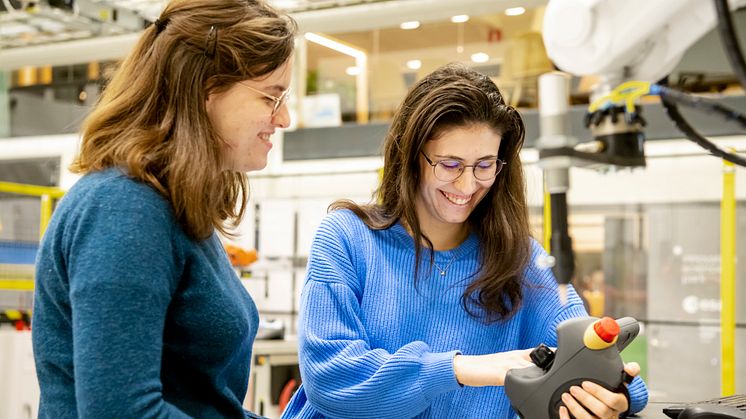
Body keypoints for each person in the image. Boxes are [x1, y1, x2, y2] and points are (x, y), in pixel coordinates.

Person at [282, 63, 648, 418]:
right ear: (412, 158)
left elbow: (591, 355)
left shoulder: (520, 260)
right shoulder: (347, 237)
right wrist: (458, 369)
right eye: (450, 165)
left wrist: (617, 394)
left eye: (485, 165)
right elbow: (331, 378)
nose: (468, 185)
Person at [31, 1, 296, 417]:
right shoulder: (124, 207)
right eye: (271, 97)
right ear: (206, 88)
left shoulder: (173, 208)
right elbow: (121, 412)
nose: (284, 118)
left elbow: (201, 403)